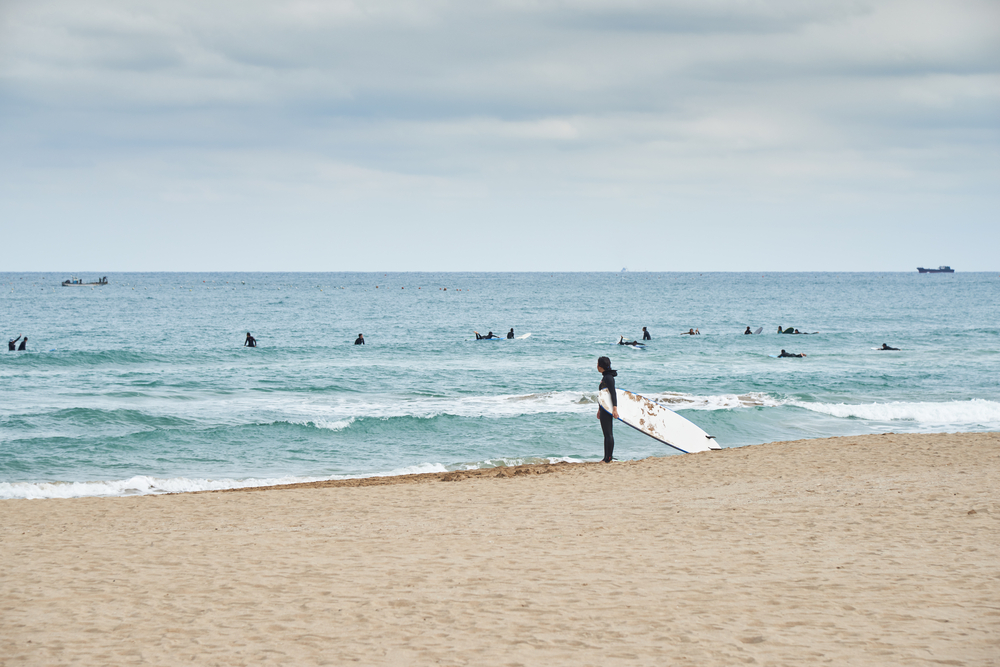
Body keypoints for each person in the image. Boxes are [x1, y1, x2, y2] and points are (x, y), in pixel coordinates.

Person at [596, 356, 619, 463]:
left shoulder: (608, 377)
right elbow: (603, 395)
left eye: (597, 364)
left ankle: (608, 458)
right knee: (606, 434)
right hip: (603, 408)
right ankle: (607, 457)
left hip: (608, 409)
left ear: (601, 366)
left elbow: (613, 393)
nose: (597, 366)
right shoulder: (605, 376)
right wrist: (599, 409)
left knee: (608, 434)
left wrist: (615, 409)